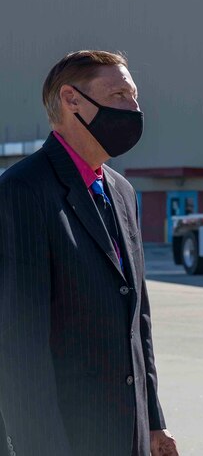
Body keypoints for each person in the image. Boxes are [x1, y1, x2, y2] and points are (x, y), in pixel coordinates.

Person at [0, 51, 178, 456]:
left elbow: (138, 322)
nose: (134, 109)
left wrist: (152, 422)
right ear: (71, 99)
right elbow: (18, 346)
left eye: (134, 97)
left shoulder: (122, 191)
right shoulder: (23, 191)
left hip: (128, 434)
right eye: (118, 95)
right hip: (67, 437)